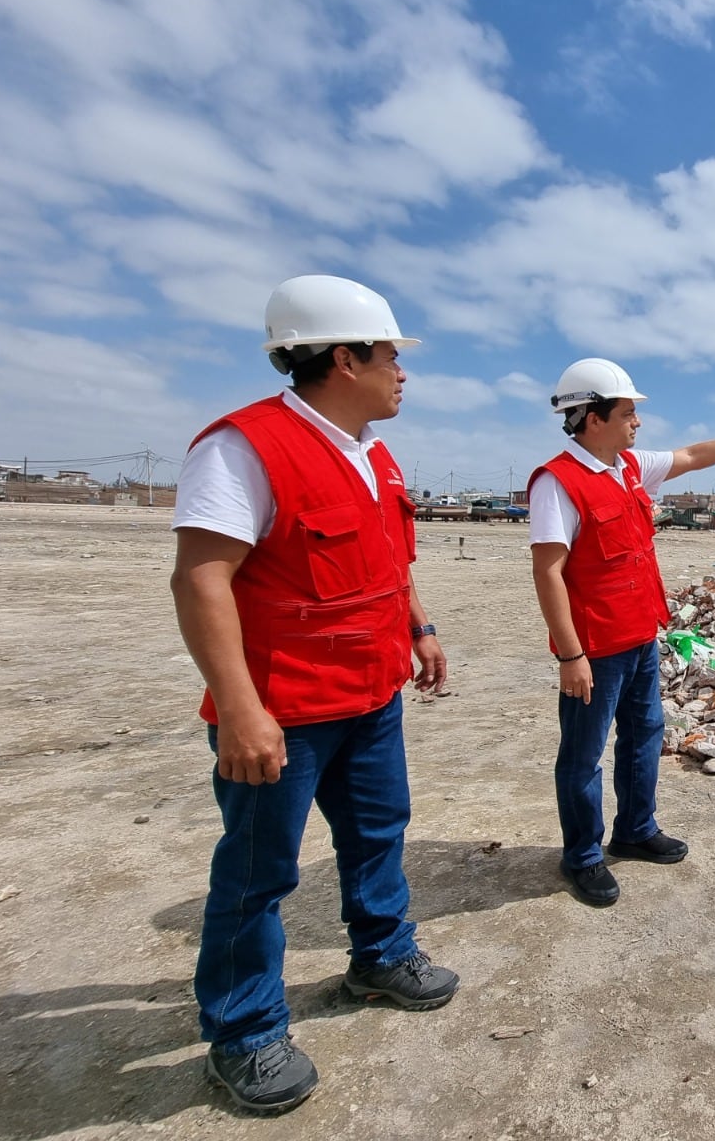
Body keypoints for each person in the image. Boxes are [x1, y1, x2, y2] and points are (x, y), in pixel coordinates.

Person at [170, 275, 459, 1114]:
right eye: (391, 355)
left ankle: (379, 955)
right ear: (344, 358)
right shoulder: (243, 447)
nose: (402, 372)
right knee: (258, 876)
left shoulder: (374, 451)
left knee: (378, 834)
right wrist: (241, 708)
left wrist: (419, 627)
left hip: (372, 694)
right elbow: (201, 580)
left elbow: (385, 559)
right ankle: (246, 1030)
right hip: (282, 714)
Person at [528, 357, 715, 907]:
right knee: (583, 755)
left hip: (641, 637)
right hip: (593, 650)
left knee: (645, 736)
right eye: (627, 413)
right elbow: (548, 571)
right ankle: (582, 856)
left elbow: (693, 456)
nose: (637, 424)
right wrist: (570, 655)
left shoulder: (627, 467)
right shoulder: (558, 483)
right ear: (592, 417)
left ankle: (635, 828)